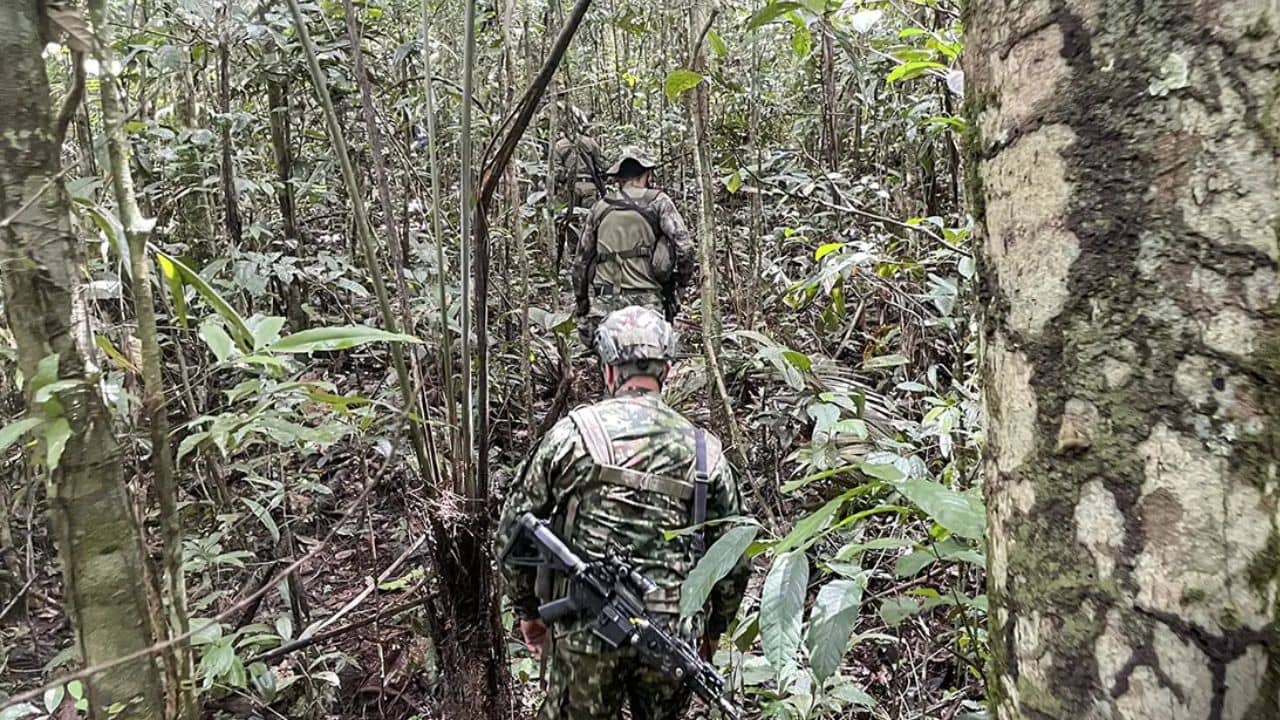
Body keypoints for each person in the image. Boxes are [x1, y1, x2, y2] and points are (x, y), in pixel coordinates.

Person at [496, 306, 749, 720]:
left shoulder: (571, 436)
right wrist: (712, 632)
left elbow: (511, 533)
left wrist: (528, 613)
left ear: (610, 371)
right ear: (666, 369)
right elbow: (734, 558)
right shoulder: (706, 453)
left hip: (584, 634)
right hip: (671, 630)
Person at [572, 148, 694, 346]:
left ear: (619, 179)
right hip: (648, 302)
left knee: (603, 356)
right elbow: (685, 247)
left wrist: (582, 304)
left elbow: (581, 262)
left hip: (605, 303)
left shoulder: (600, 207)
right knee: (655, 355)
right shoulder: (658, 202)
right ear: (647, 175)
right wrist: (680, 285)